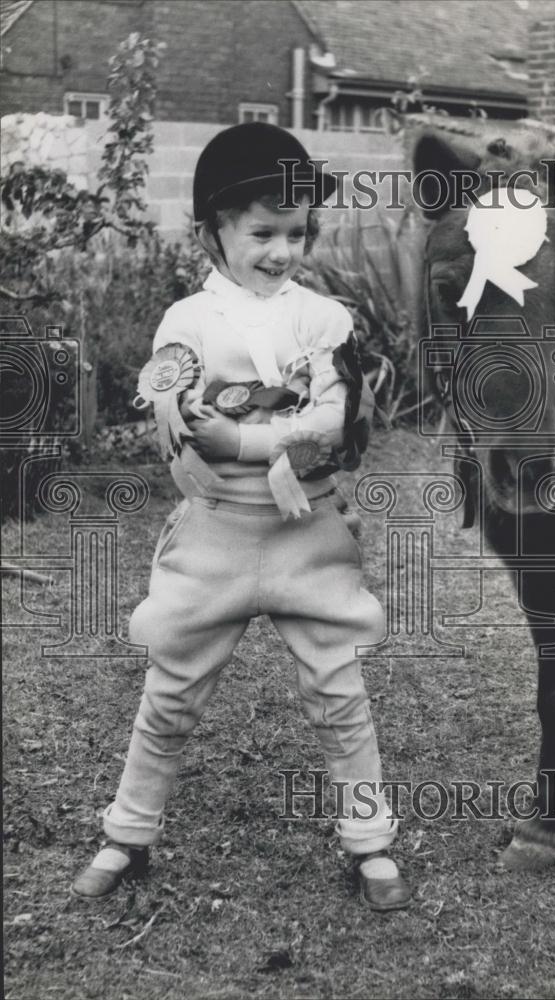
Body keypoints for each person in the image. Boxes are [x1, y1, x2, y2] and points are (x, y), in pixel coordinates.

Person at [72, 123, 410, 912]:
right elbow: (175, 409)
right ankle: (127, 832)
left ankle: (370, 842)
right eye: (261, 232)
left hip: (308, 530)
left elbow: (336, 424)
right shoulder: (187, 321)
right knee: (171, 692)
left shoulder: (326, 320)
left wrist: (245, 437)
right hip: (215, 529)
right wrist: (200, 425)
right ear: (210, 234)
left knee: (339, 692)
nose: (281, 251)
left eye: (296, 233)